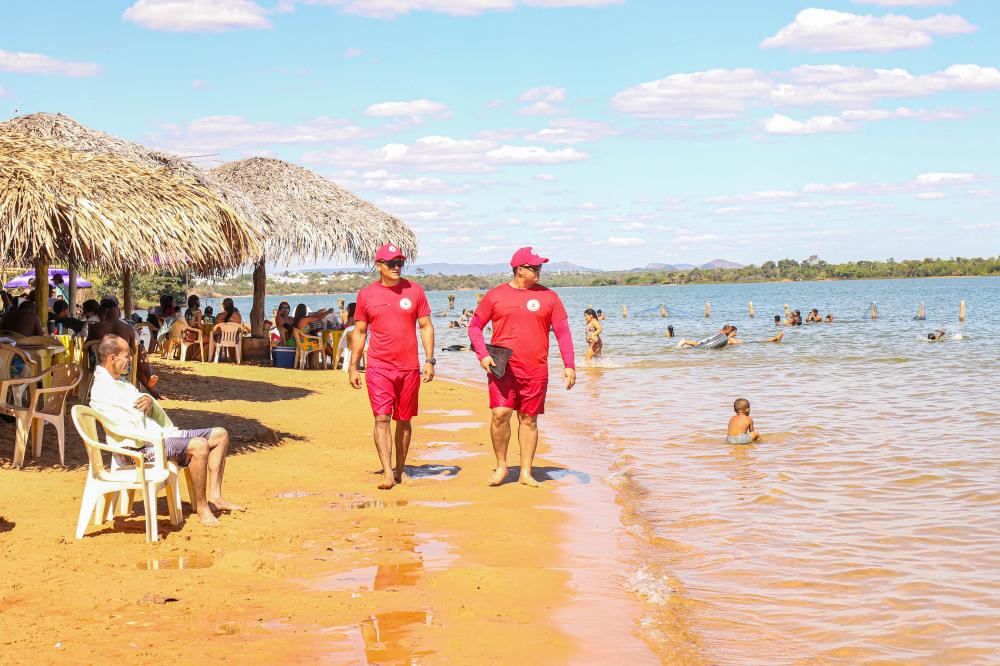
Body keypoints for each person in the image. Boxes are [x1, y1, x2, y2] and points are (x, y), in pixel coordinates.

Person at [89, 334, 242, 525]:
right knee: (199, 445)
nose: (130, 359)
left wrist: (149, 401)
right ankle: (202, 508)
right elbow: (124, 424)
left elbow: (137, 406)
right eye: (127, 356)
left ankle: (216, 497)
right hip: (139, 448)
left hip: (156, 437)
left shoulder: (120, 382)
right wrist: (146, 406)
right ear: (112, 358)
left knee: (221, 435)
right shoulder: (103, 388)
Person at [468, 247, 576, 487]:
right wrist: (482, 355)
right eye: (534, 267)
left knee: (529, 419)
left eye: (540, 266)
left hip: (535, 369)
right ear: (519, 269)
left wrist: (569, 365)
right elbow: (474, 326)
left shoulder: (550, 297)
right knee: (500, 414)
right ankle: (502, 466)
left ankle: (526, 473)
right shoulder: (495, 296)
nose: (539, 270)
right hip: (502, 367)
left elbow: (563, 332)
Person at [349, 244, 435, 490]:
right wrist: (353, 366)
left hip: (409, 367)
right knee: (382, 418)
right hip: (379, 367)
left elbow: (426, 326)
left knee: (404, 419)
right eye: (391, 263)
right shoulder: (366, 295)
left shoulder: (415, 291)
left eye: (400, 263)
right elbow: (360, 332)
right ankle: (387, 472)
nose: (397, 267)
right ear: (379, 266)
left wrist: (430, 360)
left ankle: (400, 468)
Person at [87, 296, 159, 396]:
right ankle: (150, 382)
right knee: (136, 355)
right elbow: (133, 351)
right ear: (117, 309)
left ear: (104, 311)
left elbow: (86, 346)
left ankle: (151, 386)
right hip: (123, 368)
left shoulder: (96, 327)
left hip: (99, 366)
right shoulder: (128, 328)